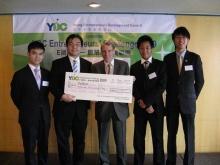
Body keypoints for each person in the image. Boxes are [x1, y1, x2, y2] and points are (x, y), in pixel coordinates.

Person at [164, 27, 204, 165]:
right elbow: (165, 81)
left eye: (184, 37)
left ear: (188, 40)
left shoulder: (195, 58)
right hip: (171, 103)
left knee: (189, 136)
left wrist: (192, 96)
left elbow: (200, 81)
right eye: (178, 37)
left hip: (188, 104)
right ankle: (171, 161)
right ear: (174, 40)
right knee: (171, 136)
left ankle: (189, 162)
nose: (181, 40)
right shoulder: (167, 58)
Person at [49, 34, 92, 165]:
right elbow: (52, 85)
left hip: (81, 111)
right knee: (62, 141)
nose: (74, 47)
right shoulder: (57, 64)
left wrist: (94, 95)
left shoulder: (88, 65)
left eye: (77, 44)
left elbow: (91, 86)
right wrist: (62, 96)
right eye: (71, 44)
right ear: (66, 46)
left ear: (81, 47)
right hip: (62, 110)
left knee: (80, 141)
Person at [10, 41, 50, 165]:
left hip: (44, 116)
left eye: (40, 54)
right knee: (29, 147)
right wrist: (26, 108)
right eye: (34, 53)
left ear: (43, 55)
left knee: (44, 146)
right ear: (28, 54)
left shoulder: (47, 74)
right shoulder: (20, 74)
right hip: (28, 117)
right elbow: (15, 95)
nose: (37, 56)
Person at [91, 41, 130, 165]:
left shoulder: (124, 65)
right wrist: (92, 95)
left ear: (114, 51)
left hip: (120, 108)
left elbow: (127, 88)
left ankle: (122, 162)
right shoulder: (95, 67)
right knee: (103, 139)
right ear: (101, 52)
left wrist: (130, 82)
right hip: (103, 108)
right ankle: (104, 162)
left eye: (109, 51)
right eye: (103, 51)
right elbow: (92, 87)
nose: (106, 53)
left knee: (121, 140)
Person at [130, 35, 167, 165]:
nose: (144, 50)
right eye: (141, 48)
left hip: (155, 108)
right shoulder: (134, 67)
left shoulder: (160, 65)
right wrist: (142, 101)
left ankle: (159, 162)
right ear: (138, 50)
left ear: (151, 48)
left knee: (157, 138)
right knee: (139, 138)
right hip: (140, 108)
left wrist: (148, 102)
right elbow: (133, 86)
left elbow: (161, 86)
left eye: (147, 47)